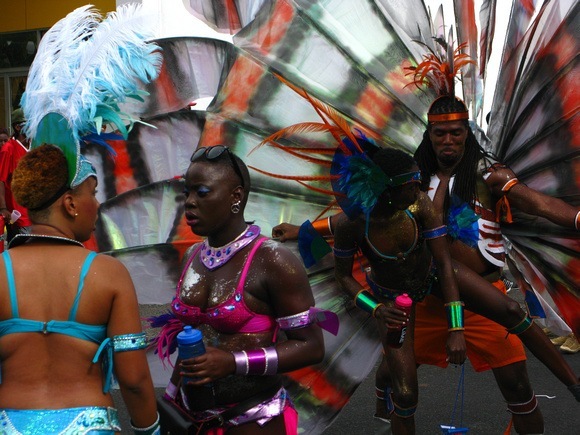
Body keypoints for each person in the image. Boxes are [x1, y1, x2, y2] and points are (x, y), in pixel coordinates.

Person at [153, 145, 331, 434]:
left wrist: (232, 363)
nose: (189, 202)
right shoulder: (192, 257)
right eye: (187, 192)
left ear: (236, 196)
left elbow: (311, 347)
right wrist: (169, 401)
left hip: (252, 420)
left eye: (202, 192)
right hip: (191, 417)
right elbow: (193, 346)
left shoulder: (272, 260)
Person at [0, 144, 159, 433]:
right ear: (70, 204)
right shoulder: (108, 274)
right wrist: (151, 431)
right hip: (89, 426)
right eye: (94, 192)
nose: (98, 204)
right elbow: (134, 381)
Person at [331, 145, 467, 435]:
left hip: (430, 277)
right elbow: (342, 276)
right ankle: (385, 388)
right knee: (405, 393)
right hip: (390, 300)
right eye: (411, 184)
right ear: (387, 190)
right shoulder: (351, 224)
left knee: (510, 309)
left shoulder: (419, 204)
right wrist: (377, 309)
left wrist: (456, 328)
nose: (419, 188)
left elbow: (444, 263)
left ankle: (572, 384)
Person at [0, 108, 31, 242]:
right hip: (18, 215)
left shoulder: (33, 145)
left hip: (34, 212)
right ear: (18, 127)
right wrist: (3, 208)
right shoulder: (8, 149)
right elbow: (1, 180)